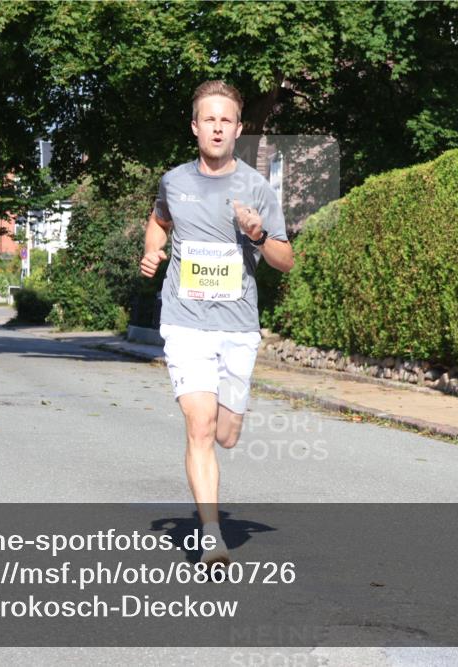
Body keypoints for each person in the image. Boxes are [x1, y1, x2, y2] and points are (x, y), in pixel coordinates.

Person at [139, 81, 294, 568]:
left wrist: (259, 234)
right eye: (209, 119)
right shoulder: (173, 181)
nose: (218, 127)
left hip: (238, 326)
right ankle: (212, 537)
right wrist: (152, 251)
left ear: (238, 128)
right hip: (184, 322)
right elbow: (159, 221)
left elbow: (286, 260)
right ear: (195, 127)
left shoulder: (257, 188)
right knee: (200, 425)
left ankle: (232, 422)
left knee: (226, 433)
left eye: (226, 120)